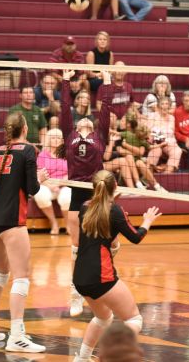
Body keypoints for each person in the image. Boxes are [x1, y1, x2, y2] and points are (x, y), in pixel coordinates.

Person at [0, 112, 49, 353]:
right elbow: (32, 188)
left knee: (0, 273)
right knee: (21, 277)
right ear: (25, 129)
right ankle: (16, 336)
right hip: (12, 220)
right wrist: (39, 178)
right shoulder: (28, 150)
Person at [72, 170, 161, 362]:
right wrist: (147, 221)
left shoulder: (85, 207)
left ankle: (82, 359)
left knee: (103, 318)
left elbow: (101, 227)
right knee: (134, 319)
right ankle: (110, 355)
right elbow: (136, 237)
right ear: (115, 187)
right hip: (101, 275)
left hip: (79, 276)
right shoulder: (115, 211)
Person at [61, 69, 112, 317]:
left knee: (105, 244)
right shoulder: (69, 135)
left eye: (89, 121)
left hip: (96, 192)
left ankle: (105, 287)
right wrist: (65, 81)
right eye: (81, 120)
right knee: (77, 247)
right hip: (76, 193)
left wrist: (107, 82)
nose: (85, 121)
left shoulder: (99, 135)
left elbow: (106, 111)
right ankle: (75, 295)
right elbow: (64, 109)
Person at [36, 128, 71, 235]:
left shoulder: (67, 154)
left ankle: (68, 225)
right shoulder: (42, 155)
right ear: (48, 140)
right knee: (40, 194)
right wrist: (51, 185)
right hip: (47, 184)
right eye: (53, 138)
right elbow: (39, 174)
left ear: (62, 140)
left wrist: (60, 184)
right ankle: (54, 223)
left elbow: (71, 173)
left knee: (66, 197)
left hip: (64, 184)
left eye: (58, 138)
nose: (56, 140)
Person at [147, 96, 182, 174]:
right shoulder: (152, 116)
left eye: (166, 104)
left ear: (169, 106)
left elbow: (172, 133)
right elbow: (148, 131)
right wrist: (154, 141)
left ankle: (167, 174)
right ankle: (148, 174)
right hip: (155, 142)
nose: (165, 106)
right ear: (159, 106)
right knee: (156, 151)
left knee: (177, 150)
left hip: (169, 143)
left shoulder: (172, 118)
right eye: (162, 104)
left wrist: (172, 143)